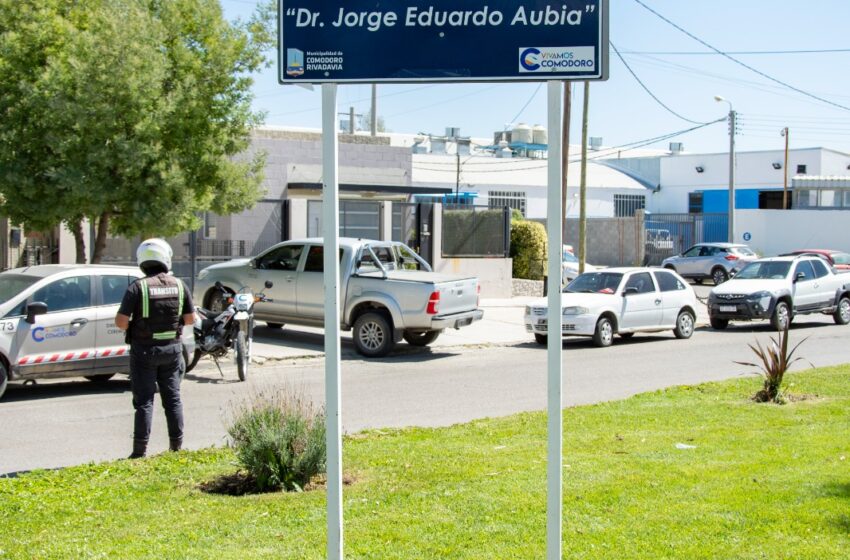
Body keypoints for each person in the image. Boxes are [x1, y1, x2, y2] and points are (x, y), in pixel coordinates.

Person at [115, 238, 195, 459]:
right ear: (166, 259)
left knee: (144, 402)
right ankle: (176, 447)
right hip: (172, 351)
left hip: (144, 353)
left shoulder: (137, 287)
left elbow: (121, 322)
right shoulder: (180, 285)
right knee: (173, 399)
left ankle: (139, 452)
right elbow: (190, 319)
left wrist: (137, 325)